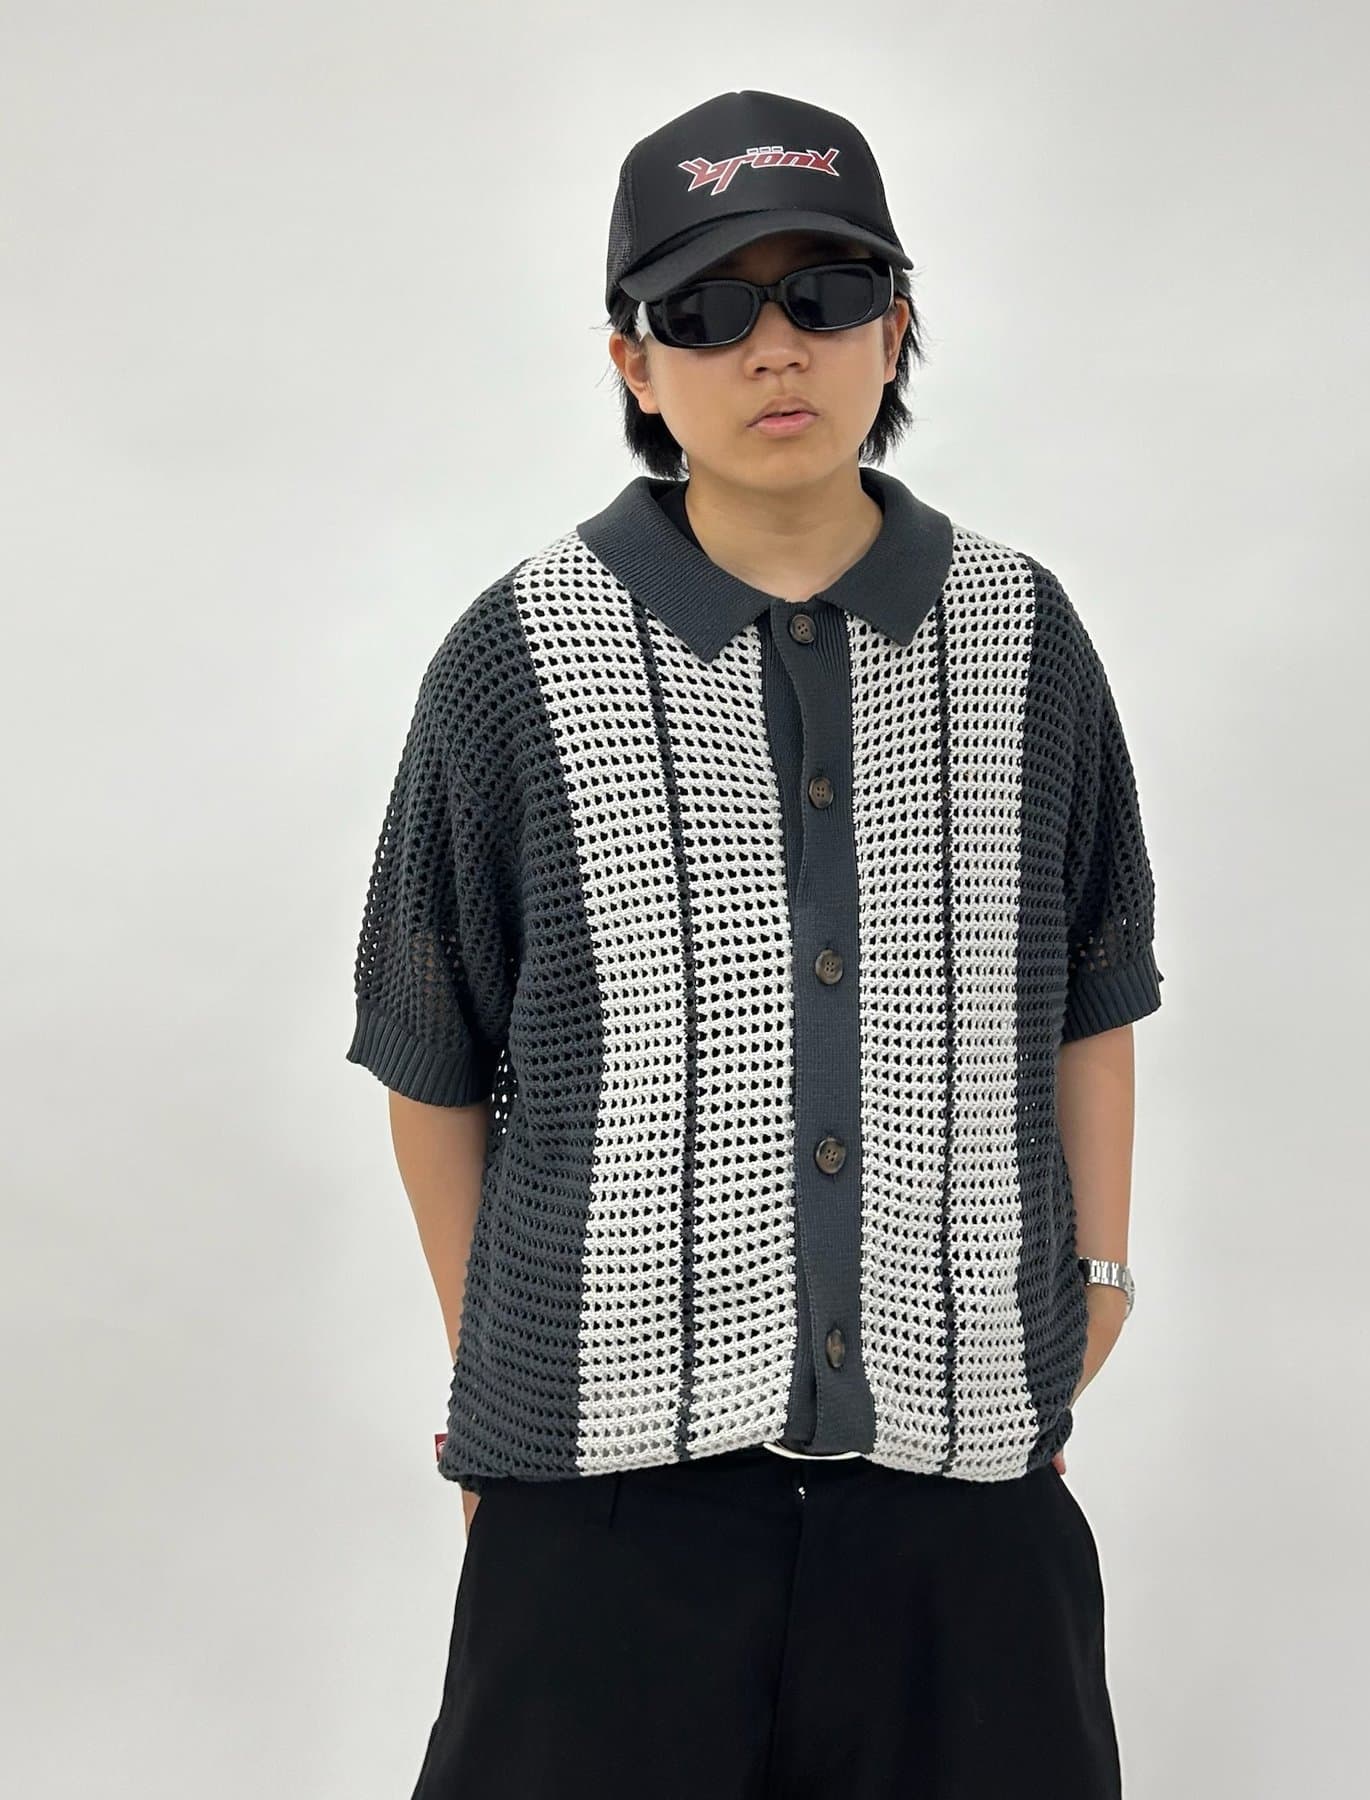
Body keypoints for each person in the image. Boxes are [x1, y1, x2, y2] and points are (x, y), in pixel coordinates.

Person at [346, 86, 1164, 1800]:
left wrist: (1094, 1286)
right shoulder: (519, 655)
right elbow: (430, 1050)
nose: (773, 347)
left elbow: (1093, 992)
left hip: (963, 1493)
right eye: (708, 309)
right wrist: (503, 1375)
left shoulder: (1023, 637)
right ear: (636, 364)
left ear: (896, 326)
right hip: (606, 1510)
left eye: (825, 294)